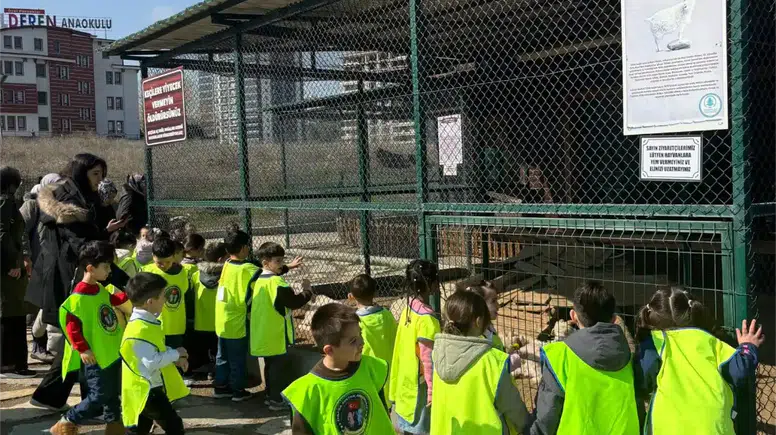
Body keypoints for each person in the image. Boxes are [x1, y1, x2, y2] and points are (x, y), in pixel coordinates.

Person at [28, 154, 130, 412]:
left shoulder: (81, 196)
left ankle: (50, 396)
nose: (100, 180)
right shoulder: (68, 203)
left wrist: (105, 232)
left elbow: (86, 238)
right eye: (96, 174)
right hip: (73, 278)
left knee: (80, 341)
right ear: (82, 173)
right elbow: (79, 245)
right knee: (86, 338)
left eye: (102, 174)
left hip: (83, 272)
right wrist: (111, 269)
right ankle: (90, 401)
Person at [636, 286, 763, 435]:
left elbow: (642, 379)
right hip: (713, 429)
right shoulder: (711, 342)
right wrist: (748, 346)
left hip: (667, 428)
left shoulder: (654, 343)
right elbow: (739, 370)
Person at [527, 282, 639, 435]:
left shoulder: (559, 356)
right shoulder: (630, 356)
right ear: (614, 319)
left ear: (573, 316)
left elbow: (548, 414)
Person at [50, 241, 128, 435]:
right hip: (95, 356)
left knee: (112, 394)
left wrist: (131, 296)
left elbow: (112, 300)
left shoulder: (100, 289)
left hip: (110, 352)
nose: (109, 271)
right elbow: (72, 328)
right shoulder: (77, 300)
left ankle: (114, 426)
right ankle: (69, 419)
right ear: (90, 268)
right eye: (106, 267)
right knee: (98, 396)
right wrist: (83, 349)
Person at [282, 303, 394, 434]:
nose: (362, 342)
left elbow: (381, 415)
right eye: (353, 341)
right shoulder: (307, 392)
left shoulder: (372, 368)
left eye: (360, 334)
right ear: (329, 350)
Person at [430, 290, 528, 434]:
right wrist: (527, 425)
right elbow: (514, 408)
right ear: (478, 321)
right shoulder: (492, 361)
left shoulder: (438, 354)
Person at [121, 273, 189, 435]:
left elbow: (153, 349)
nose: (165, 300)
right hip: (147, 389)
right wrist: (175, 354)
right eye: (162, 297)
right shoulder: (140, 328)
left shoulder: (146, 322)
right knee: (174, 426)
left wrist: (175, 359)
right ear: (150, 302)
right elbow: (151, 361)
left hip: (145, 387)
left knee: (140, 428)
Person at [249, 241, 311, 410]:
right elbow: (294, 302)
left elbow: (276, 271)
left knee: (270, 367)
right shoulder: (278, 284)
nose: (281, 265)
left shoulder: (258, 278)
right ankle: (277, 401)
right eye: (278, 261)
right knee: (278, 369)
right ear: (265, 263)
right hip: (276, 334)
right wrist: (307, 291)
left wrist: (288, 267)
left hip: (262, 332)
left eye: (282, 260)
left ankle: (270, 396)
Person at [390, 259, 441, 435]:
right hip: (419, 388)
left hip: (404, 382)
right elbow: (428, 360)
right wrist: (433, 391)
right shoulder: (428, 320)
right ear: (433, 284)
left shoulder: (408, 309)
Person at [20, 173, 63, 363]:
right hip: (37, 261)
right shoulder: (32, 205)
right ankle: (38, 345)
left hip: (52, 260)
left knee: (47, 303)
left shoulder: (58, 205)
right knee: (39, 304)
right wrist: (25, 256)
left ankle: (43, 345)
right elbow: (22, 231)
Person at [213, 229, 258, 402]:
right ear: (244, 248)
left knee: (222, 356)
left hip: (221, 319)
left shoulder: (226, 264)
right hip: (237, 320)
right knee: (237, 358)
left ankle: (220, 387)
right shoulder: (250, 269)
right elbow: (268, 276)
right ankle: (238, 390)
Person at [0, 166, 35, 378]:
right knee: (11, 314)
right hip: (9, 271)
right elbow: (2, 234)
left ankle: (11, 364)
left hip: (9, 268)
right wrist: (13, 262)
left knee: (11, 313)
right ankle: (10, 365)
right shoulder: (5, 202)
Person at [348, 274, 397, 403]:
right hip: (387, 373)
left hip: (364, 375)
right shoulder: (387, 315)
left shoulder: (354, 322)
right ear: (376, 292)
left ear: (351, 296)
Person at [142, 237, 194, 351]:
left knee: (176, 363)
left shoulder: (183, 272)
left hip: (176, 328)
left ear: (174, 256)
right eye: (159, 262)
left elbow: (185, 294)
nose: (164, 265)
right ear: (153, 256)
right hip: (154, 327)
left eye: (168, 262)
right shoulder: (147, 272)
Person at [188, 241, 226, 378]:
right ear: (221, 259)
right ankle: (217, 373)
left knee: (206, 349)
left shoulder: (196, 275)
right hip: (220, 322)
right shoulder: (226, 276)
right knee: (219, 351)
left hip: (201, 322)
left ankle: (208, 370)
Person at [464, 281, 504, 351]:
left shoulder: (488, 327)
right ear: (479, 305)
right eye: (493, 301)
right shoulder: (478, 340)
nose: (498, 306)